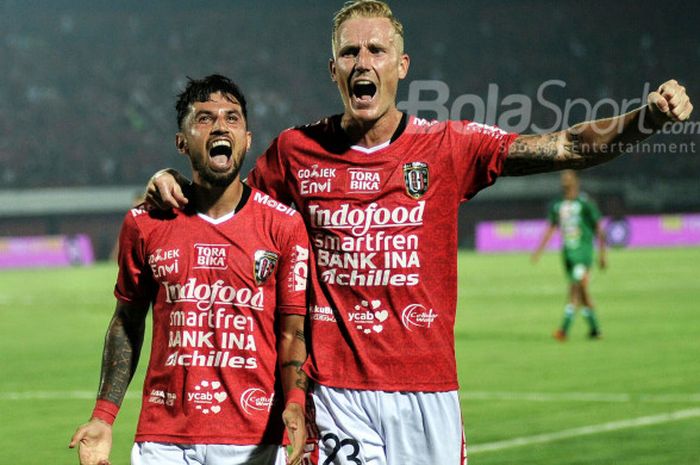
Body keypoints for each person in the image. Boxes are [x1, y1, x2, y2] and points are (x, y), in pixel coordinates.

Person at [144, 2, 693, 463]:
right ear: (332, 69)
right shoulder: (294, 152)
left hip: (430, 393)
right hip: (336, 393)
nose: (363, 62)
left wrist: (645, 117)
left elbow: (568, 146)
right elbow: (229, 206)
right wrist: (173, 181)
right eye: (350, 52)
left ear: (401, 65)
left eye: (376, 51)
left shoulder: (448, 147)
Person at [69, 75, 310, 465]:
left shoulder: (284, 226)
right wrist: (104, 416)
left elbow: (293, 330)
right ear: (181, 143)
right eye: (204, 118)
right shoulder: (145, 224)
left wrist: (296, 404)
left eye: (232, 118)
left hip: (255, 440)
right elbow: (127, 322)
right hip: (164, 443)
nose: (219, 126)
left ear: (247, 139)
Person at [532, 170, 606, 341]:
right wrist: (539, 250)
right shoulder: (558, 204)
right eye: (562, 178)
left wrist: (602, 254)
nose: (564, 180)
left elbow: (598, 228)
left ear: (576, 181)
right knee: (582, 291)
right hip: (568, 255)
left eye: (568, 177)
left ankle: (563, 330)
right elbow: (551, 227)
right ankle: (595, 330)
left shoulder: (584, 202)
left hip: (583, 253)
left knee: (576, 288)